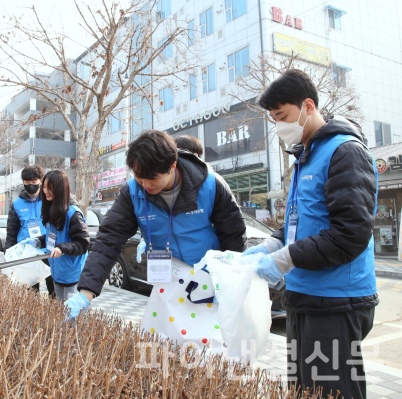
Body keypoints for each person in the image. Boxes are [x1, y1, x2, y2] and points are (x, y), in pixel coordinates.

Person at [243, 70, 378, 399]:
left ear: (308, 106)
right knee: (305, 391)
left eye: (282, 116)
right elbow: (298, 222)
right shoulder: (304, 158)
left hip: (336, 301)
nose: (278, 126)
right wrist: (272, 244)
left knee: (332, 390)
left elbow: (350, 235)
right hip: (304, 298)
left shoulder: (345, 152)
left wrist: (285, 258)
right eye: (273, 119)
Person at [65, 130, 246, 319]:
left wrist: (232, 284)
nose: (145, 185)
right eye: (138, 176)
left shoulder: (210, 184)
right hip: (168, 284)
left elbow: (234, 236)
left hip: (210, 283)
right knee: (167, 344)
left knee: (208, 346)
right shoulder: (132, 192)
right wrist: (86, 292)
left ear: (172, 165)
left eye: (152, 178)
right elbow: (108, 240)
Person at [20, 170, 89, 301]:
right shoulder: (52, 210)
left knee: (70, 315)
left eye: (49, 188)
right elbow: (53, 237)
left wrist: (62, 248)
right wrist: (37, 241)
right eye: (44, 186)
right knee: (59, 313)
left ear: (59, 188)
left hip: (72, 275)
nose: (45, 191)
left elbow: (83, 243)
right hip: (57, 272)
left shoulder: (73, 213)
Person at [6, 165, 55, 297]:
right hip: (27, 252)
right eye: (27, 183)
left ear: (41, 181)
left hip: (47, 251)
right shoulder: (17, 204)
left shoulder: (49, 200)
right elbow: (11, 231)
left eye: (34, 183)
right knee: (30, 294)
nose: (31, 186)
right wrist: (9, 253)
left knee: (54, 291)